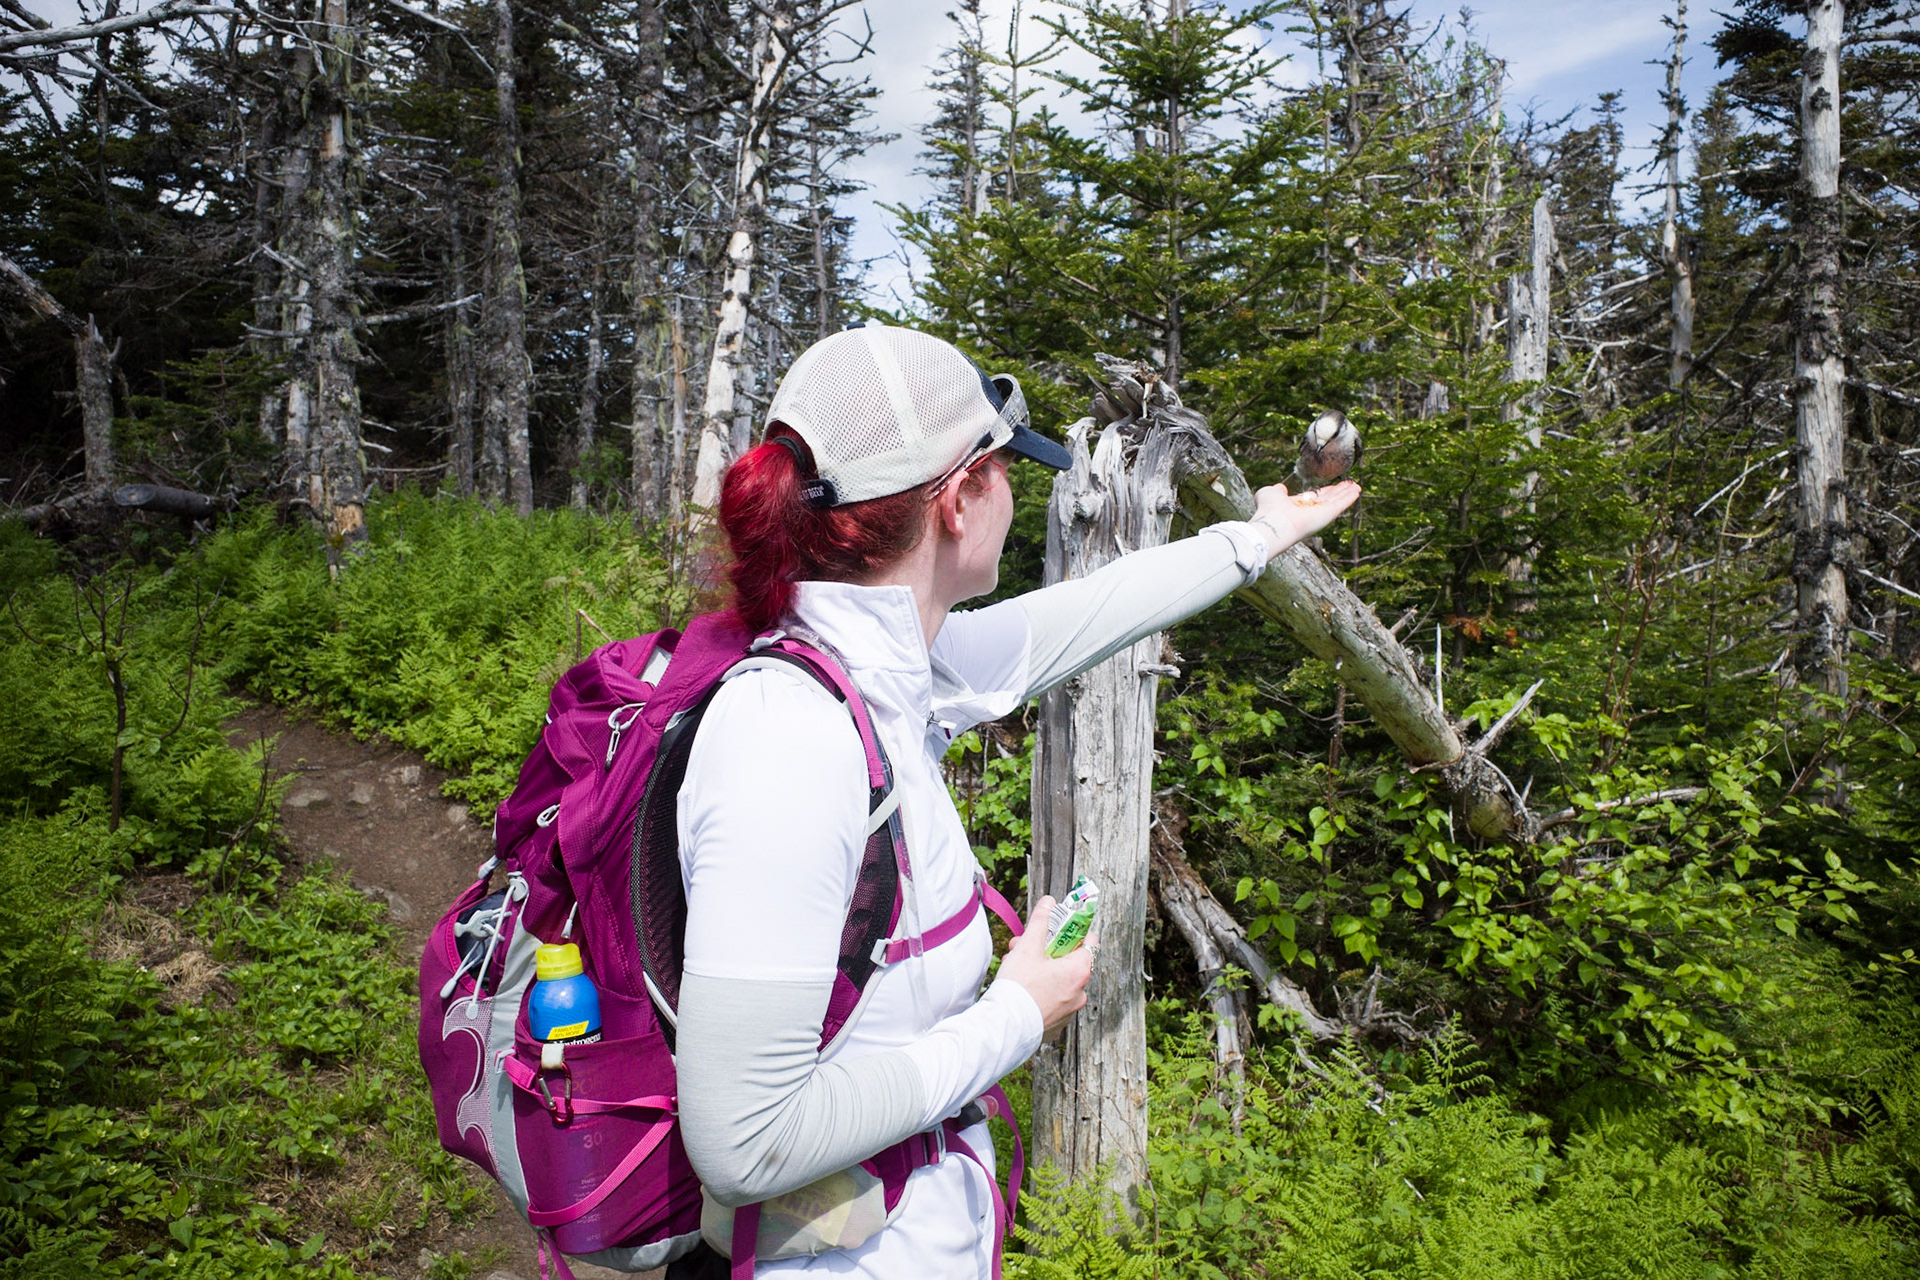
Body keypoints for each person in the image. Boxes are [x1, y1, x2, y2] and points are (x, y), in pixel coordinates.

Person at [671, 325, 1359, 1278]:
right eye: (1005, 469)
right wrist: (1016, 1016)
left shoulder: (890, 667)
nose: (1014, 492)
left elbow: (1095, 611)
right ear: (961, 500)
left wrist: (1259, 534)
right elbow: (745, 1141)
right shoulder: (790, 738)